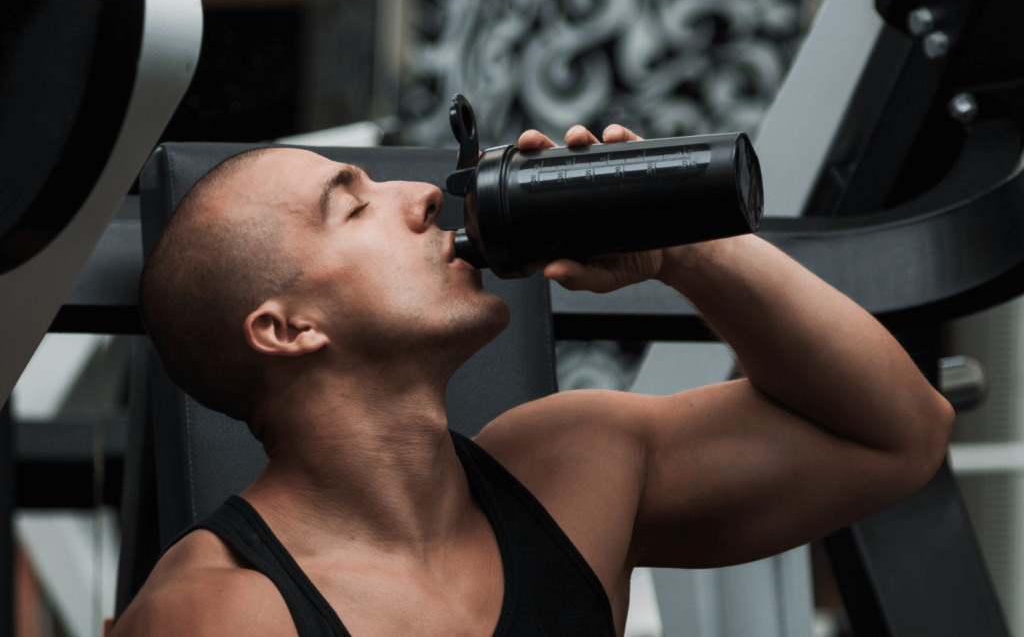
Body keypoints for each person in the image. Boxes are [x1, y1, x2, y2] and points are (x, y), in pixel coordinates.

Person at [112, 123, 953, 637]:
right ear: (288, 328)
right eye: (355, 205)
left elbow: (897, 434)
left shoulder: (567, 471)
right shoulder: (220, 613)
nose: (421, 195)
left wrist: (683, 246)